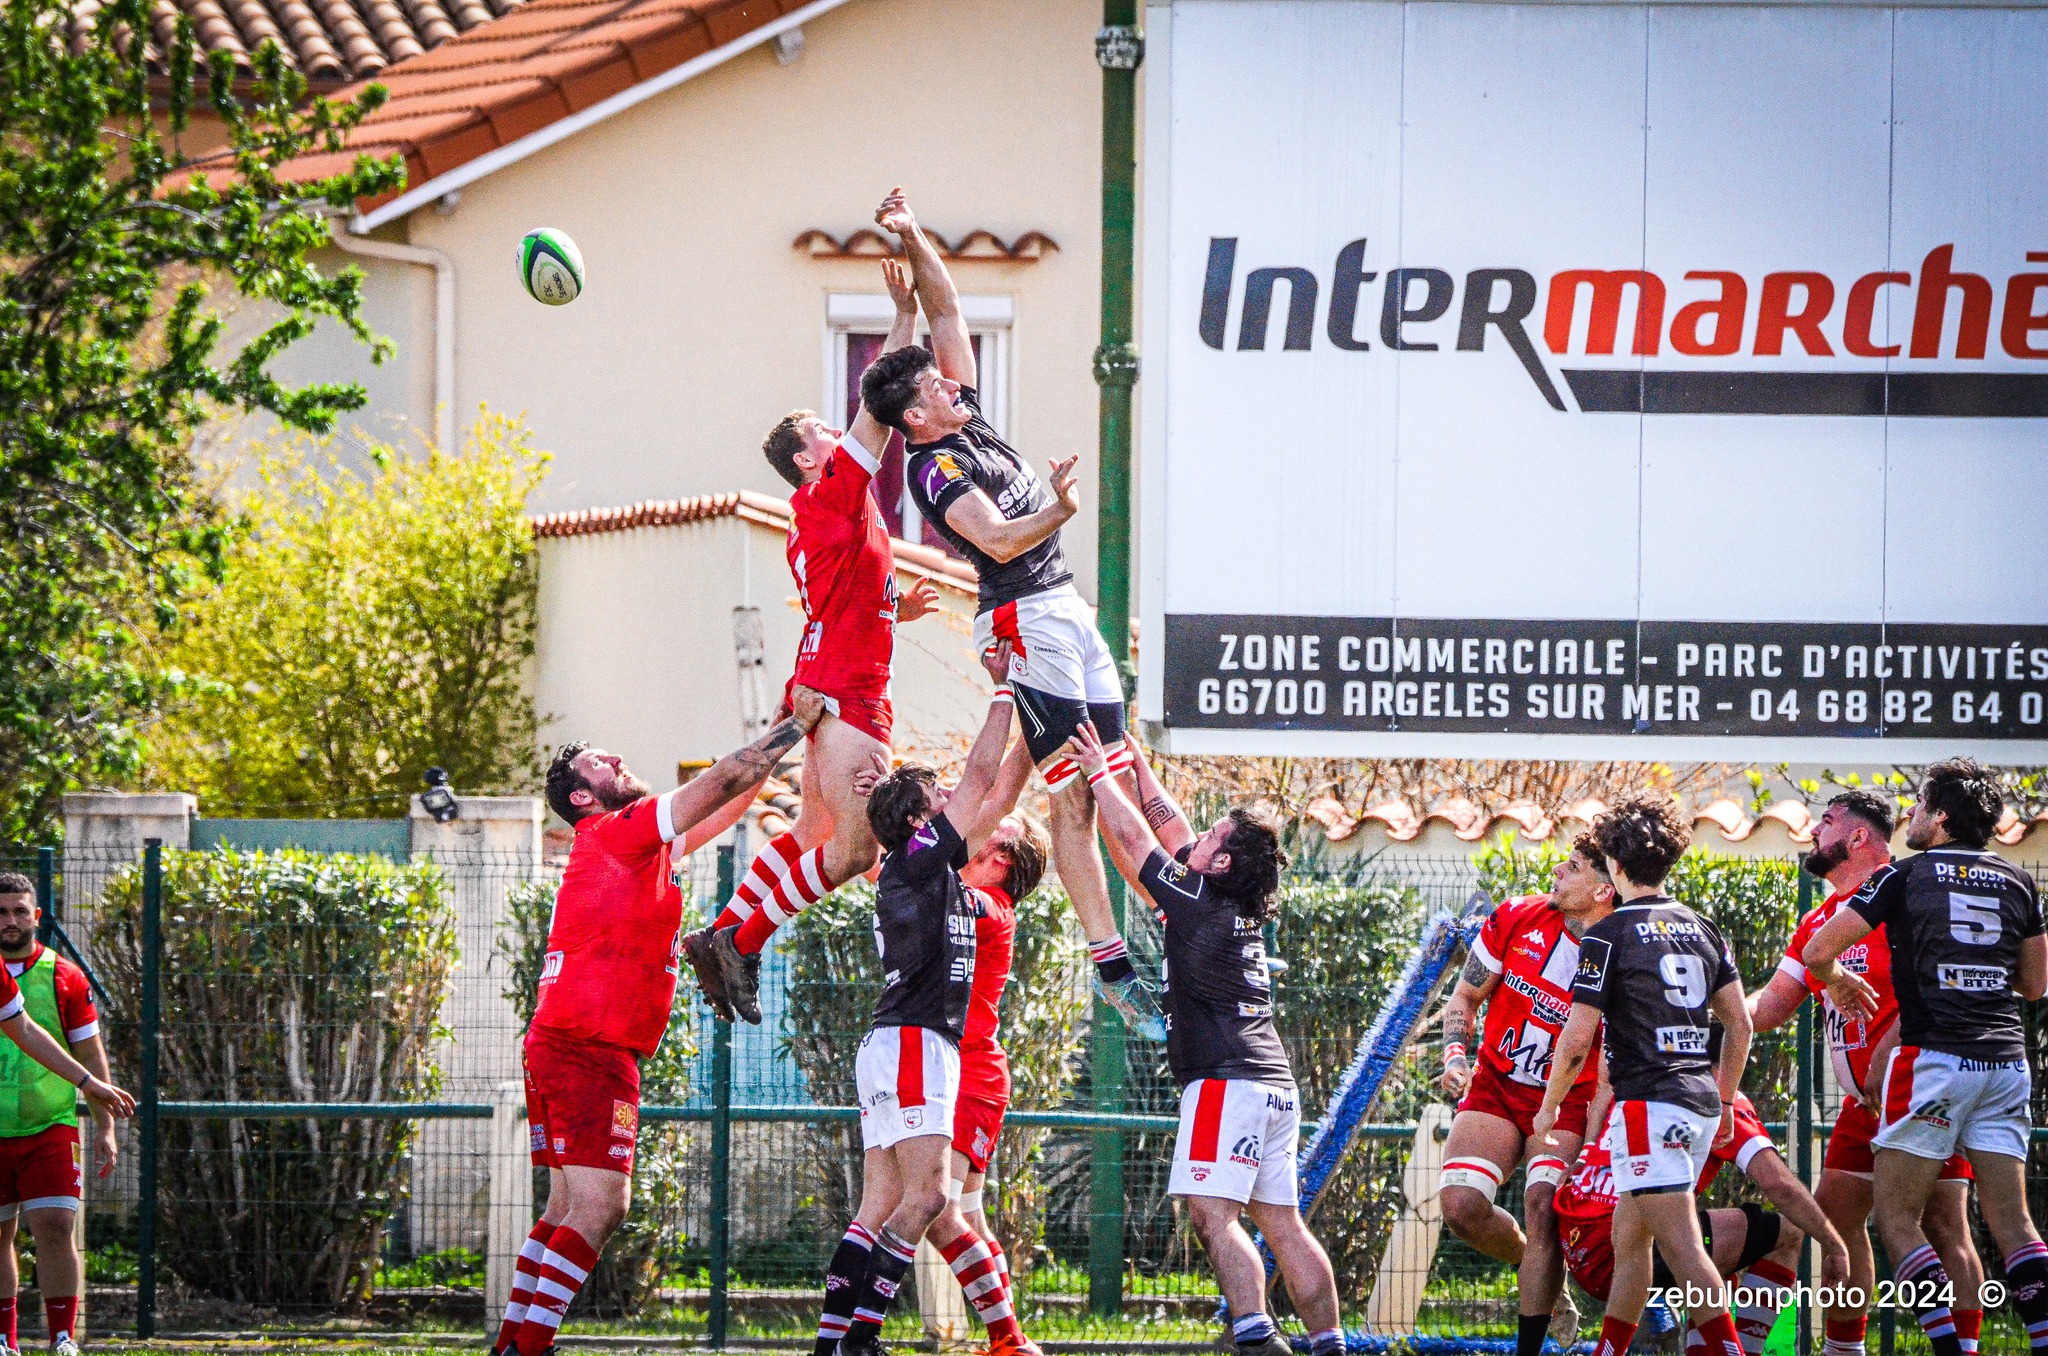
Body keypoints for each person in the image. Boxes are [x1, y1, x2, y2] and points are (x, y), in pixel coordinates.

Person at [860, 187, 1163, 1042]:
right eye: (937, 388)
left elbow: (948, 303)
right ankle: (1112, 963)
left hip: (1064, 607)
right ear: (915, 415)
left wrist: (916, 234)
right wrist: (1062, 509)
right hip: (1023, 617)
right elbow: (994, 543)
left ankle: (1183, 918)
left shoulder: (963, 413)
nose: (956, 387)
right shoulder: (934, 472)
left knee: (1123, 768)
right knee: (1077, 793)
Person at [495, 692, 826, 1356]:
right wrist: (800, 725)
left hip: (565, 1042)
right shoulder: (619, 832)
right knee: (601, 1207)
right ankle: (529, 1349)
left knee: (566, 1207)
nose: (616, 758)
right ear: (584, 798)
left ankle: (514, 1343)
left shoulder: (636, 850)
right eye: (598, 763)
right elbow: (727, 779)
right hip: (587, 1047)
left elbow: (730, 799)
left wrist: (785, 724)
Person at [685, 250, 940, 1025]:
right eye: (823, 432)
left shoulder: (829, 511)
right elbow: (879, 415)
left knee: (816, 830)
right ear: (807, 459)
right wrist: (905, 318)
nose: (838, 433)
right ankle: (744, 940)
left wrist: (897, 612)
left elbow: (844, 593)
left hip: (827, 674)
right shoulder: (830, 494)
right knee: (856, 849)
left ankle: (726, 931)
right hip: (847, 686)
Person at [1065, 721, 1343, 1356]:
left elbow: (1136, 839)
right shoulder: (1226, 898)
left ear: (1219, 862)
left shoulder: (1192, 896)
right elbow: (1169, 826)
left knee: (1212, 1215)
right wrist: (1138, 767)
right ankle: (1329, 1345)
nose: (1200, 835)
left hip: (1226, 1082)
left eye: (1214, 835)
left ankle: (1255, 1338)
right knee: (1283, 1223)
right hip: (1273, 1084)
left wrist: (1099, 775)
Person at [820, 648, 1029, 1356]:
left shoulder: (909, 864)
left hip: (891, 1041)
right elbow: (980, 780)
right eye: (936, 799)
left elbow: (986, 795)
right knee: (930, 1199)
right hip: (917, 1041)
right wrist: (1005, 688)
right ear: (918, 819)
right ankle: (864, 1335)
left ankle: (832, 1337)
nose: (952, 801)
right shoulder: (918, 858)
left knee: (881, 1204)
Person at [1803, 757, 2048, 1356]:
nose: (1908, 815)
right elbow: (2036, 985)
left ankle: (1949, 1350)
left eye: (1917, 806)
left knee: (1897, 1220)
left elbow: (1817, 950)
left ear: (1939, 817)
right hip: (2006, 1063)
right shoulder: (2020, 881)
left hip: (1933, 1060)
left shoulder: (1904, 876)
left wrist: (1835, 976)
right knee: (2014, 1226)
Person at [1748, 789, 1986, 1356]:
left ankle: (1966, 1348)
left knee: (1942, 1222)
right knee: (1834, 1219)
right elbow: (1770, 1008)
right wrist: (1712, 1002)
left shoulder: (1909, 893)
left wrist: (1892, 1049)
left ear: (1857, 837)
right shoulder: (1820, 921)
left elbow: (1945, 986)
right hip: (1863, 1105)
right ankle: (1844, 1348)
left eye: (1826, 821)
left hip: (1925, 1082)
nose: (1812, 831)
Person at [1533, 790, 1757, 1356]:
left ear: (1614, 865)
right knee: (1629, 1240)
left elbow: (1578, 1039)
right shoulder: (1703, 927)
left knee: (1683, 1251)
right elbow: (1741, 1026)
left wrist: (1549, 1106)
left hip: (1648, 1109)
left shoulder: (1607, 934)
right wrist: (1727, 1102)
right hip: (1701, 1104)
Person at [1436, 835, 1616, 1356]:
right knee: (1462, 1206)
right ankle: (1527, 1263)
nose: (1558, 869)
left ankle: (1531, 1347)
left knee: (1543, 1207)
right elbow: (1465, 997)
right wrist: (1454, 1055)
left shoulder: (1620, 947)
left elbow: (1604, 1061)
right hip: (1497, 1084)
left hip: (1571, 1101)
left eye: (1574, 866)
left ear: (1604, 889)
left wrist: (1598, 1130)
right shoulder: (1516, 916)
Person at [1554, 1078, 1849, 1356]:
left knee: (1713, 1251)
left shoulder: (1639, 1075)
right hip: (1619, 1252)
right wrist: (1834, 1244)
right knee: (1785, 1232)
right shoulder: (1717, 1098)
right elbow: (1778, 1184)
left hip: (1577, 1245)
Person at [0, 877, 130, 1356]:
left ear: (37, 917)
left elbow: (79, 1050)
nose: (10, 921)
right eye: (1, 912)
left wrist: (104, 1123)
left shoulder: (64, 976)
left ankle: (61, 1337)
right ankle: (5, 1339)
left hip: (49, 1123)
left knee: (55, 1223)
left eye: (19, 911)